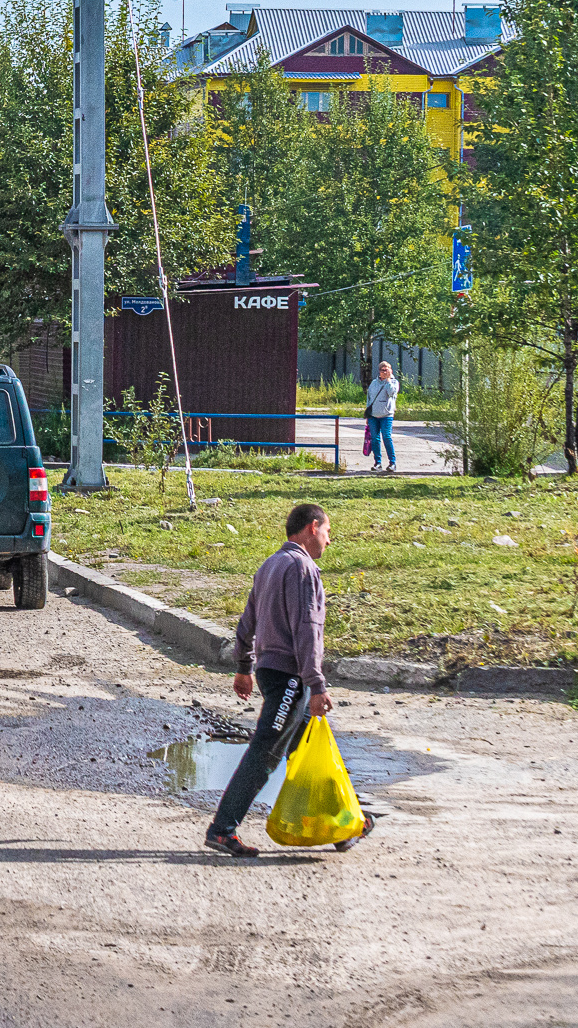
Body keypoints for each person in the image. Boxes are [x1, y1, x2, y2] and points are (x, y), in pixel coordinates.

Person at [205, 502, 374, 857]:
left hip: (270, 671)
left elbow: (247, 618)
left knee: (305, 747)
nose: (329, 541)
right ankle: (222, 829)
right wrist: (315, 684)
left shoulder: (270, 565)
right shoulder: (302, 568)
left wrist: (244, 665)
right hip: (289, 677)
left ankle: (345, 823)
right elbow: (307, 630)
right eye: (327, 532)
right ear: (312, 527)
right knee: (265, 751)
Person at [366, 360, 400, 473]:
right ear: (379, 372)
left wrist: (388, 380)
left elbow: (391, 393)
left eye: (387, 369)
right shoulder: (374, 383)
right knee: (375, 439)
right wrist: (367, 414)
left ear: (391, 370)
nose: (385, 372)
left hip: (387, 415)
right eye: (382, 370)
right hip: (373, 416)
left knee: (386, 437)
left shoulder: (394, 382)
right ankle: (378, 463)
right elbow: (369, 399)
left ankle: (392, 463)